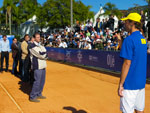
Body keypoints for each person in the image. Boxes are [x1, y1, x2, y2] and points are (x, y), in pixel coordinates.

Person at [117, 13, 147, 113]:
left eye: (126, 21)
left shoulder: (129, 40)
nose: (125, 23)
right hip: (141, 83)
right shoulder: (143, 39)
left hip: (130, 84)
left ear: (132, 23)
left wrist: (121, 84)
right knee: (139, 110)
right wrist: (120, 42)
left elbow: (127, 63)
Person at [29, 33, 48, 102]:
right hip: (37, 66)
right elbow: (41, 55)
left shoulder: (40, 45)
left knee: (42, 81)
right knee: (37, 81)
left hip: (43, 65)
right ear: (34, 38)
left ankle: (39, 93)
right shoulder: (31, 46)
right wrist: (44, 55)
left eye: (39, 37)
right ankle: (32, 96)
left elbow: (45, 51)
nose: (39, 38)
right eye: (37, 37)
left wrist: (44, 54)